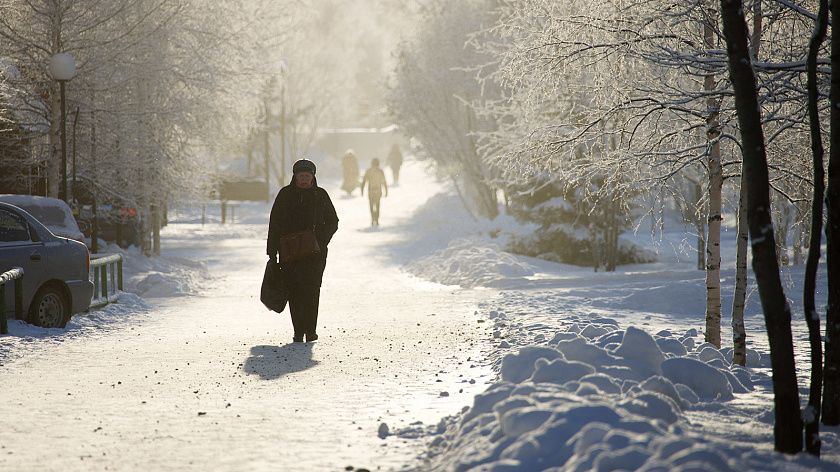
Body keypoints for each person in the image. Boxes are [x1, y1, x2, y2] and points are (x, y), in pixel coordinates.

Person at [267, 159, 339, 343]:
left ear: (313, 176)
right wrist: (272, 251)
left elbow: (333, 221)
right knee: (294, 290)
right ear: (295, 177)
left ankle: (311, 330)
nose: (304, 179)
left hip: (315, 253)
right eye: (301, 176)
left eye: (307, 175)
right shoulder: (285, 195)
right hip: (289, 253)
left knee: (312, 289)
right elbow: (274, 223)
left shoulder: (320, 195)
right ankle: (298, 330)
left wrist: (320, 240)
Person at [361, 158, 388, 226]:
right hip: (378, 191)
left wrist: (362, 190)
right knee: (377, 205)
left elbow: (364, 181)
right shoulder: (380, 171)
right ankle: (377, 219)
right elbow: (384, 182)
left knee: (371, 205)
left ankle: (373, 218)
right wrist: (386, 191)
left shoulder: (369, 171)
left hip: (371, 191)